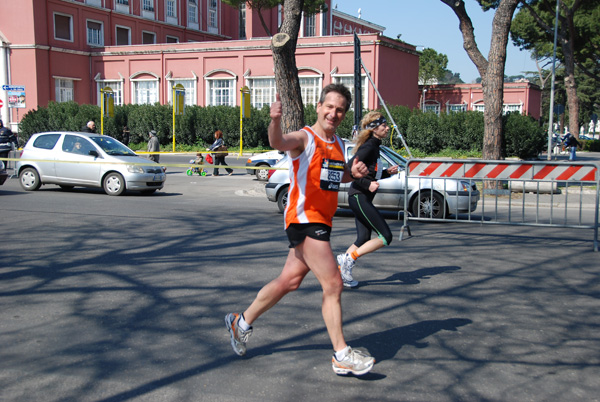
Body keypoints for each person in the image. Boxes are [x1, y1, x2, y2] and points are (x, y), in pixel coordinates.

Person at [224, 84, 375, 376]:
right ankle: (341, 354)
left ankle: (239, 323)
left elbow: (334, 175)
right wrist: (275, 121)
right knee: (333, 284)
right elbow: (279, 141)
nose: (334, 113)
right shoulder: (305, 137)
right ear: (318, 107)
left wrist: (352, 173)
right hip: (305, 220)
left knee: (289, 281)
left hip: (321, 221)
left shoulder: (338, 143)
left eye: (340, 109)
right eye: (329, 107)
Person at [336, 112, 399, 288]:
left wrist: (387, 173)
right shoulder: (369, 146)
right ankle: (349, 258)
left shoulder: (375, 146)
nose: (387, 128)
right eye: (384, 125)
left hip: (361, 196)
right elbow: (350, 170)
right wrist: (366, 184)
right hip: (358, 195)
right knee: (386, 236)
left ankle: (342, 272)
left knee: (363, 237)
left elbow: (371, 172)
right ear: (374, 128)